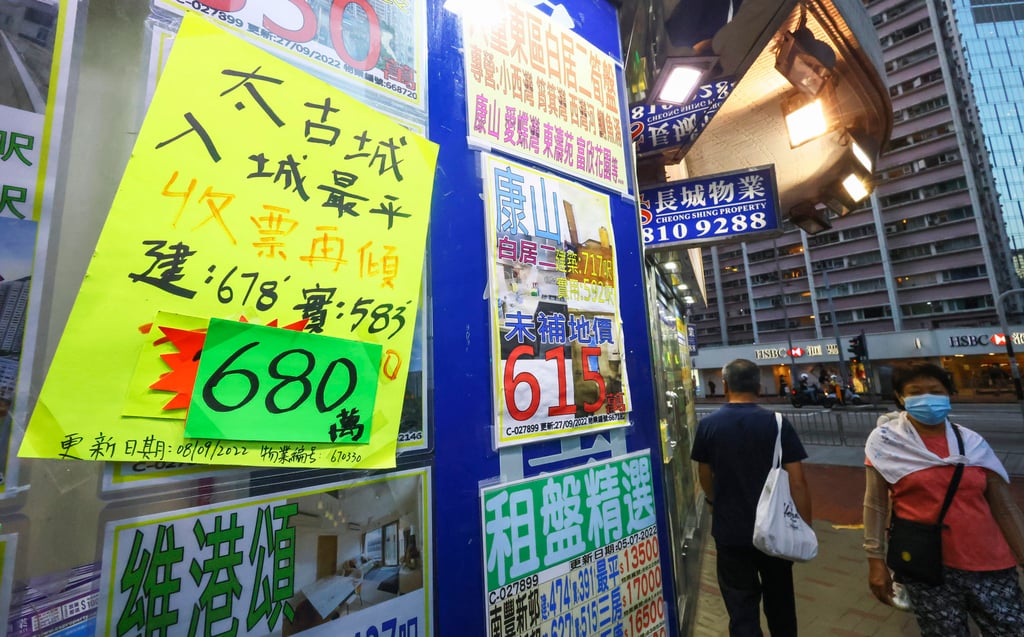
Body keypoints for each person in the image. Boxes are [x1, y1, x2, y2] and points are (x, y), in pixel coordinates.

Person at [863, 362, 1024, 635]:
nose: (927, 398)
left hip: (991, 563)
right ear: (901, 398)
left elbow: (1005, 508)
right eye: (916, 391)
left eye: (935, 390)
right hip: (926, 567)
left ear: (948, 394)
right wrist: (875, 561)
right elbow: (875, 505)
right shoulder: (887, 442)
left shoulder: (971, 441)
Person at [691, 358, 812, 636]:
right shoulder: (778, 424)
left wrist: (712, 502)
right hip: (776, 533)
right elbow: (799, 481)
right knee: (781, 604)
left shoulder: (708, 425)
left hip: (730, 533)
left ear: (724, 385)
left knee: (741, 609)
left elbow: (704, 475)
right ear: (758, 386)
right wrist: (805, 527)